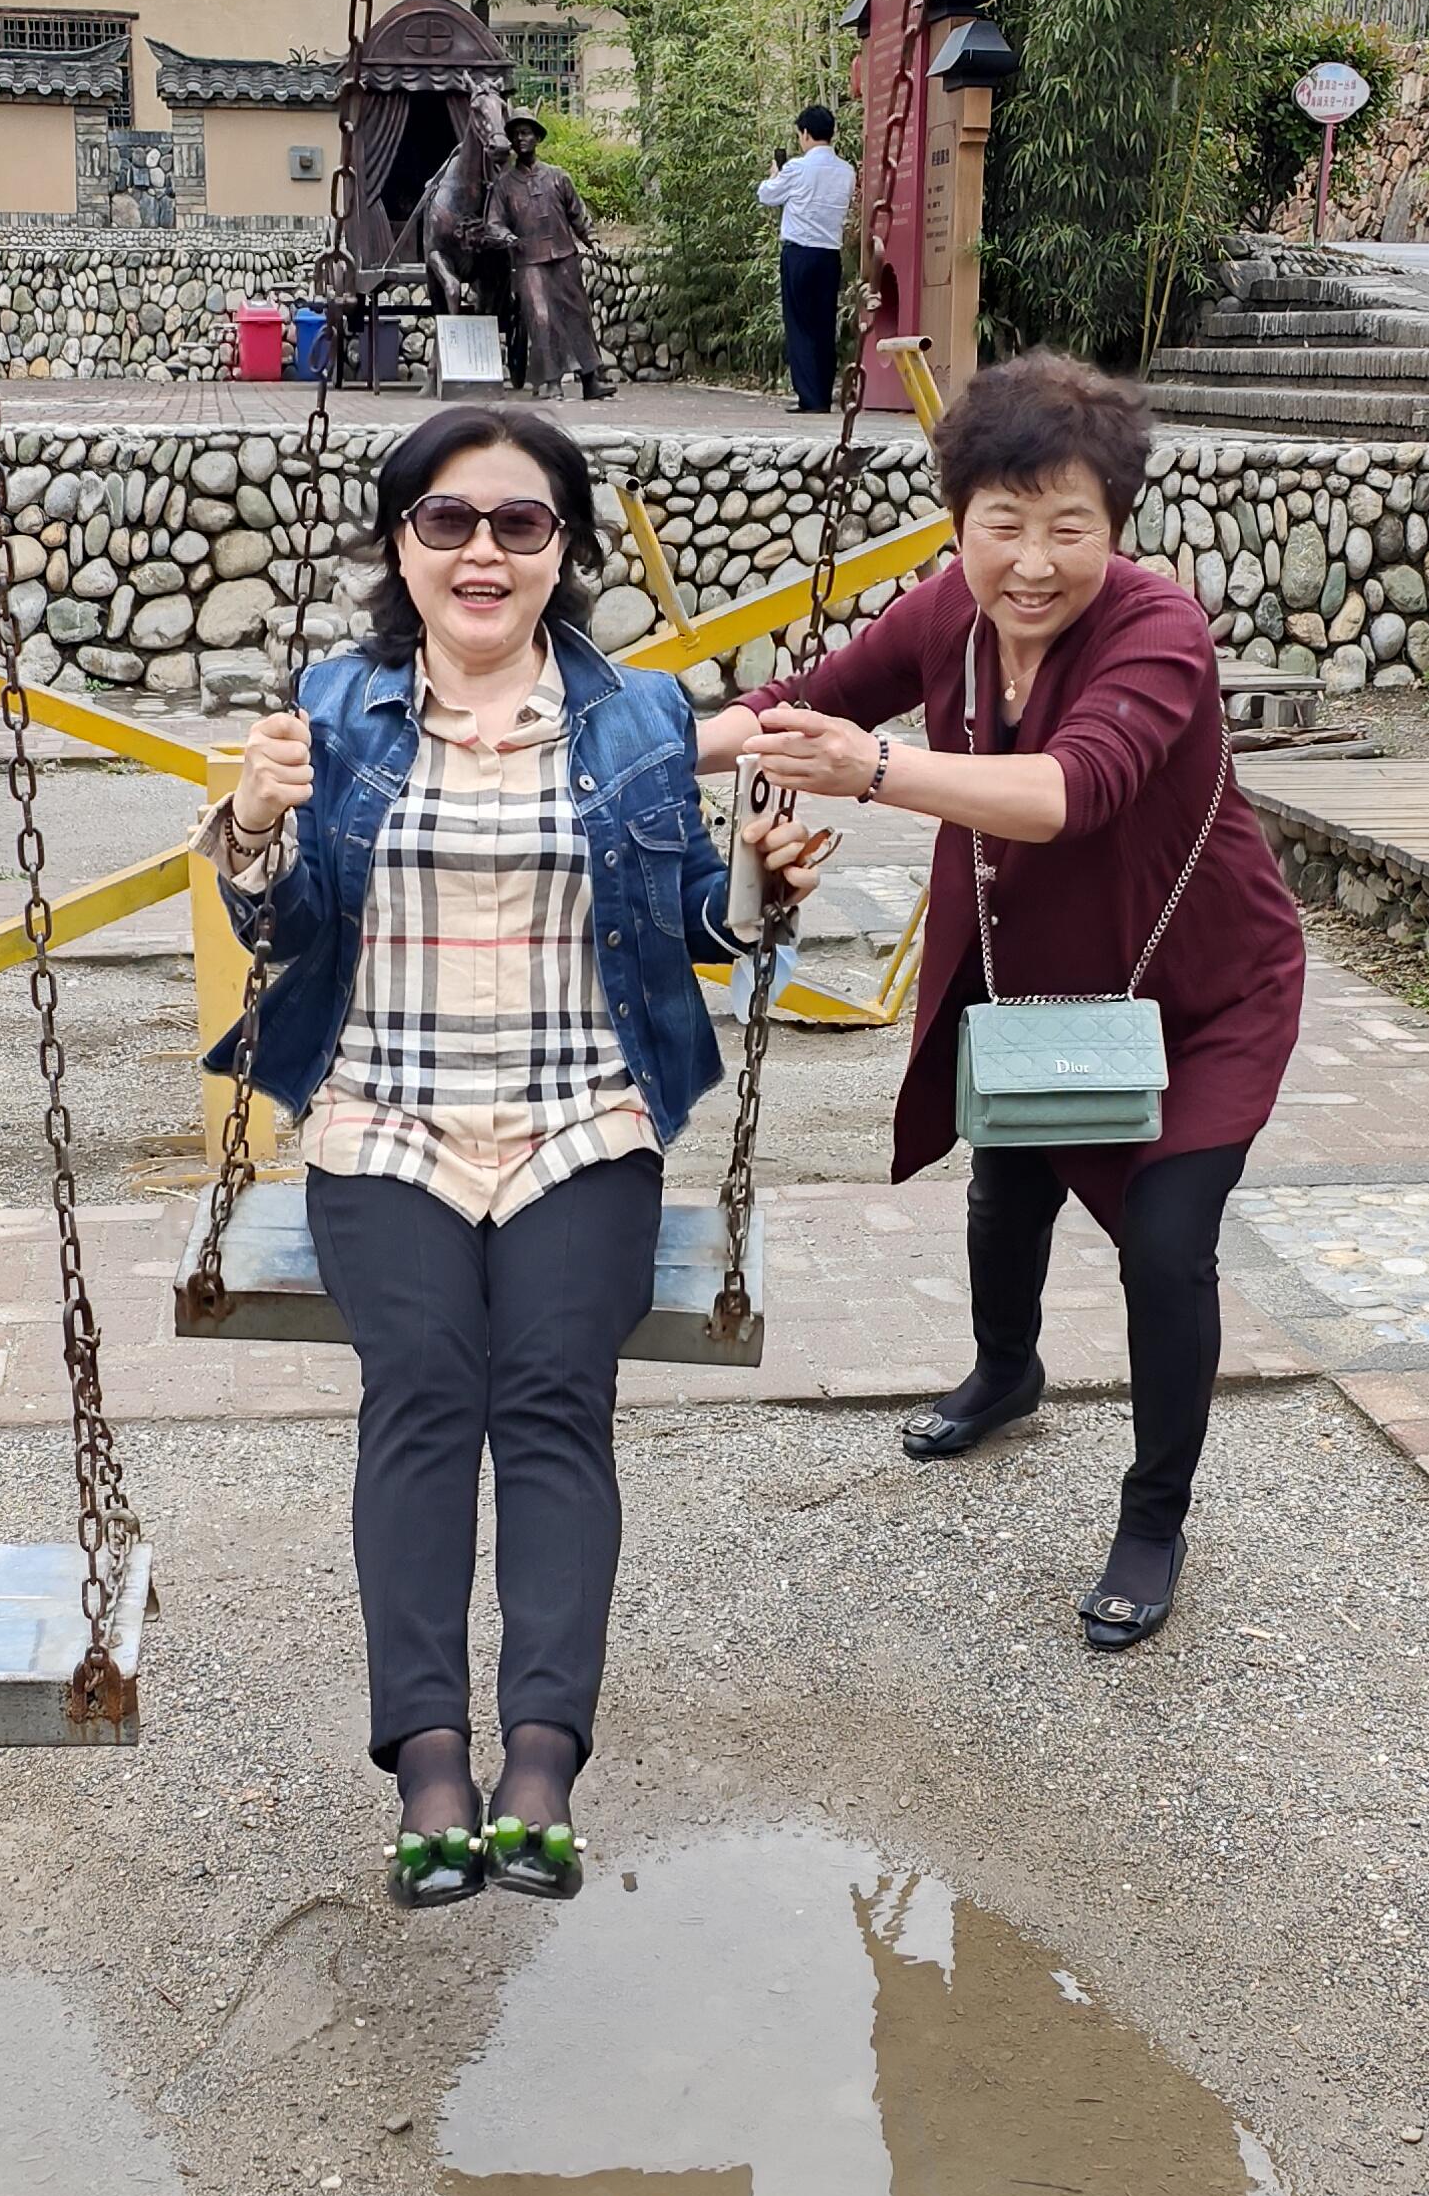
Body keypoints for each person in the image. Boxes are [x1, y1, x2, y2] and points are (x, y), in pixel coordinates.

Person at [206, 403, 824, 1907]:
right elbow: (281, 926)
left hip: (582, 1118)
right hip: (384, 1118)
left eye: (519, 523)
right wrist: (251, 830)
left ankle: (541, 1758)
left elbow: (700, 925)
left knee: (554, 1396)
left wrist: (761, 882)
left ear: (563, 549)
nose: (481, 551)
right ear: (402, 543)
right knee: (424, 1389)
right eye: (448, 520)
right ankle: (429, 1759)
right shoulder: (333, 707)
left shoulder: (641, 719)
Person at [709, 351, 1304, 1651]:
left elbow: (1071, 789)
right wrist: (624, 746)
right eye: (1003, 524)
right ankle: (1006, 1369)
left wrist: (874, 769)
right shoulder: (947, 616)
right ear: (959, 521)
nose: (1033, 562)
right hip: (1043, 970)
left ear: (1116, 526)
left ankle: (1154, 1516)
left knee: (1166, 1241)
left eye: (1068, 527)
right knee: (1009, 1178)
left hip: (1205, 989)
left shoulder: (1159, 631)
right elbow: (795, 706)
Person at [482, 113, 605, 398]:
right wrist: (506, 236)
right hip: (529, 261)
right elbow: (494, 223)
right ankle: (552, 381)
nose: (521, 138)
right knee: (541, 317)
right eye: (516, 134)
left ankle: (591, 379)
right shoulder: (504, 185)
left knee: (578, 315)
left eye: (526, 132)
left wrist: (593, 240)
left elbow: (578, 214)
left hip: (563, 256)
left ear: (537, 138)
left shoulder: (558, 176)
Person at [758, 102, 856, 414]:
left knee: (800, 324)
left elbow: (767, 195)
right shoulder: (846, 172)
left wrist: (775, 174)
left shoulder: (797, 168)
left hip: (799, 253)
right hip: (829, 255)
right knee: (824, 324)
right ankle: (822, 395)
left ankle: (809, 397)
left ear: (805, 134)